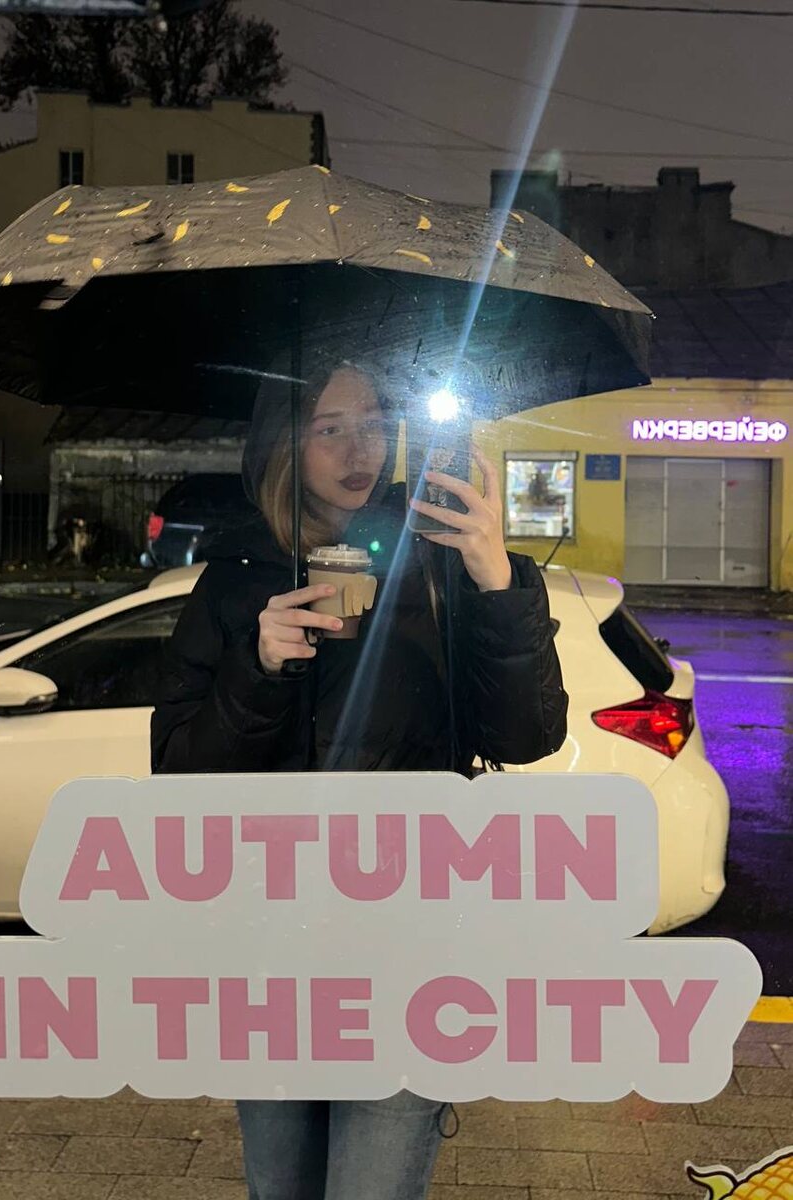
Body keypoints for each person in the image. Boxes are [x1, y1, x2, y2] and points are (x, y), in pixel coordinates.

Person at [151, 354, 568, 1200]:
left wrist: (495, 577)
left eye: (374, 424)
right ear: (283, 446)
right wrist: (259, 668)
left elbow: (528, 736)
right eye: (330, 429)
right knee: (280, 1186)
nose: (359, 450)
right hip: (270, 958)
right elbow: (178, 774)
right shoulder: (235, 581)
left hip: (408, 955)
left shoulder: (439, 561)